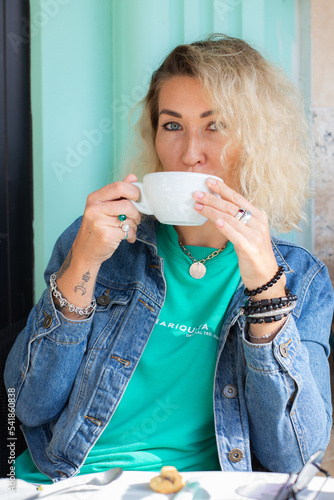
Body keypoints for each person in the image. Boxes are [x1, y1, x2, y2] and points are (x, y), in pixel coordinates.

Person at [4, 34, 334, 484]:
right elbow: (26, 403)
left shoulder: (299, 279)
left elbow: (296, 455)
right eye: (172, 125)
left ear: (258, 141)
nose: (189, 154)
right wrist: (80, 264)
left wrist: (266, 290)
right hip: (71, 482)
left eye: (215, 126)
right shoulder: (99, 243)